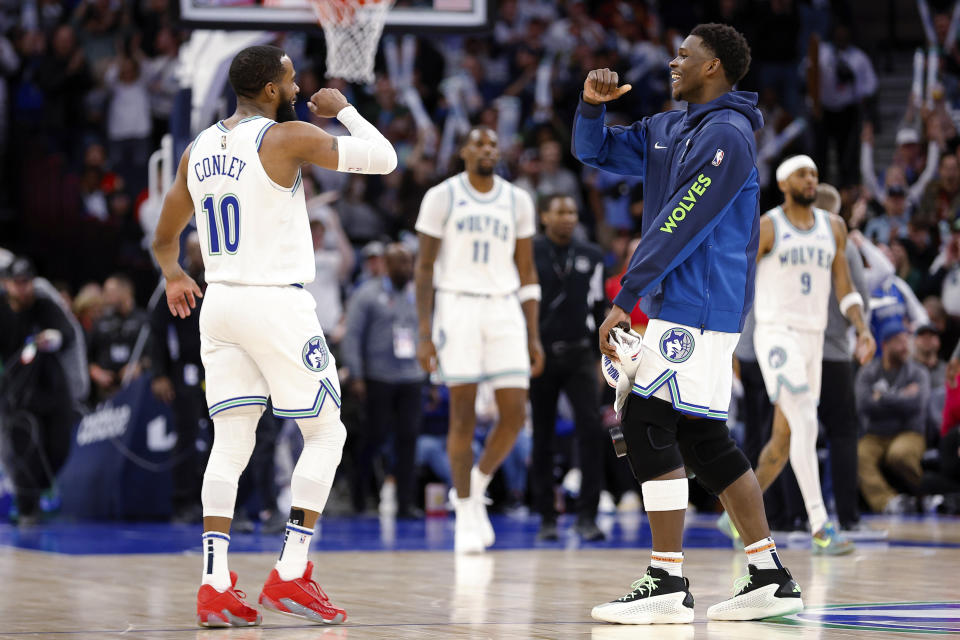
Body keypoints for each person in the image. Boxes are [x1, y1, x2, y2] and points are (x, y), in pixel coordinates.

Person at [150, 44, 396, 627]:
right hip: (274, 303)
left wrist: (174, 274)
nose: (298, 87)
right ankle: (290, 571)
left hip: (221, 303)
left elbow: (164, 238)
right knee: (327, 434)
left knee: (231, 442)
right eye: (290, 80)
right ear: (269, 91)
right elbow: (384, 159)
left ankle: (213, 585)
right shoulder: (286, 138)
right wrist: (345, 109)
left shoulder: (199, 147)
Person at [574, 23, 804, 624]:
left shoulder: (728, 134)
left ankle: (667, 581)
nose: (673, 62)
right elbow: (593, 152)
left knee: (646, 421)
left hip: (700, 305)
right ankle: (768, 574)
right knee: (702, 438)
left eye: (684, 55)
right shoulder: (668, 128)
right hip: (684, 305)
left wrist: (629, 294)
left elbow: (681, 219)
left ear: (713, 69)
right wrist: (591, 109)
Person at [414, 125, 545, 554]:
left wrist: (533, 333)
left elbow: (527, 270)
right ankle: (467, 510)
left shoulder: (517, 199)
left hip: (504, 305)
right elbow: (424, 267)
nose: (488, 149)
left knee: (514, 413)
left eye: (493, 143)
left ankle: (476, 482)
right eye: (479, 143)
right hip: (457, 306)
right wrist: (424, 331)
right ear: (464, 152)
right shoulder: (442, 196)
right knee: (462, 415)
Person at [743, 156, 875, 557]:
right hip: (776, 334)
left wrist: (862, 327)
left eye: (815, 174)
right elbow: (741, 279)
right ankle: (821, 526)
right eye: (803, 174)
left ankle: (737, 510)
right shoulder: (768, 225)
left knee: (783, 438)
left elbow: (845, 288)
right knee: (804, 417)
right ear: (784, 182)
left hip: (814, 338)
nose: (810, 180)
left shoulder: (833, 227)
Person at [530, 194, 607, 542]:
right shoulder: (529, 250)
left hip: (579, 354)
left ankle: (587, 516)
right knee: (543, 436)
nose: (567, 218)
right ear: (544, 216)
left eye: (573, 211)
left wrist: (602, 359)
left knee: (591, 431)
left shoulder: (591, 255)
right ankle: (547, 515)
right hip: (540, 354)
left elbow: (598, 307)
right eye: (560, 211)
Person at [341, 243, 424, 519]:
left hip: (411, 376)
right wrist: (356, 374)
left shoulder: (417, 294)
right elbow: (352, 336)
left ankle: (406, 503)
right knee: (374, 437)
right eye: (399, 263)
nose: (405, 268)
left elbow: (429, 333)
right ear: (386, 266)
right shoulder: (367, 294)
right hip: (378, 377)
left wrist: (432, 378)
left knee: (409, 439)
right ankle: (361, 496)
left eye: (408, 262)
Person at [0, 257, 80, 526]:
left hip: (52, 391)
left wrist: (54, 337)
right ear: (6, 284)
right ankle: (27, 509)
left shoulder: (44, 306)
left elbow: (67, 332)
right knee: (23, 453)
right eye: (17, 283)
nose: (23, 289)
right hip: (17, 396)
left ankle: (42, 493)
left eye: (27, 283)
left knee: (59, 449)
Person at [855, 322, 930, 514]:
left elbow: (917, 404)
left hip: (909, 432)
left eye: (906, 341)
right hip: (875, 434)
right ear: (885, 345)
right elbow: (863, 404)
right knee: (858, 455)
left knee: (899, 454)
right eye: (898, 341)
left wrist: (881, 398)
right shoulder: (869, 372)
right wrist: (901, 396)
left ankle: (926, 495)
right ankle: (889, 502)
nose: (905, 346)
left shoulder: (918, 372)